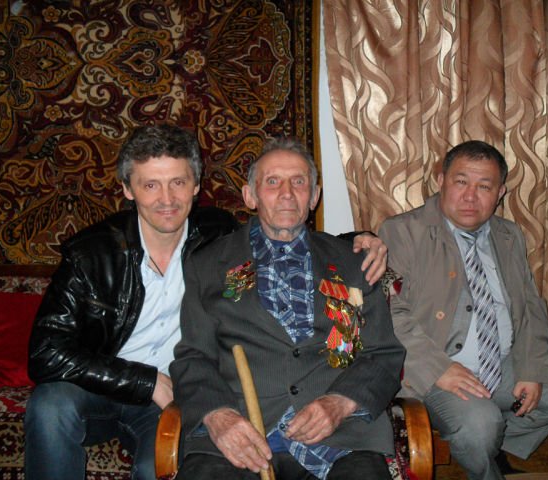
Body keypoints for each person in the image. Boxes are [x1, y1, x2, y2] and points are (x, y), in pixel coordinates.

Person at [25, 125, 387, 480]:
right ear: (127, 189)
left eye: (178, 183)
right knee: (50, 405)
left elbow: (287, 233)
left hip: (177, 398)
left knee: (156, 468)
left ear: (196, 186)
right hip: (112, 384)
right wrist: (149, 383)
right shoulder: (92, 254)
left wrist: (362, 240)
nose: (167, 199)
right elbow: (46, 351)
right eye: (150, 185)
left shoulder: (214, 235)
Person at [170, 137, 405, 480]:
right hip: (238, 438)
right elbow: (193, 358)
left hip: (340, 439)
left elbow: (383, 353)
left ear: (314, 196)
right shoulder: (206, 265)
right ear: (250, 196)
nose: (286, 193)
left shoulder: (355, 263)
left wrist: (340, 403)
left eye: (298, 182)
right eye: (272, 182)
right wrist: (219, 416)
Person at [379, 140, 548, 480]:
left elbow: (529, 306)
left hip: (501, 362)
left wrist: (531, 367)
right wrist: (438, 369)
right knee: (480, 425)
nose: (470, 197)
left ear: (500, 192)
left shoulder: (509, 234)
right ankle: (485, 459)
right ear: (441, 181)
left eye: (484, 186)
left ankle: (492, 447)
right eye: (461, 182)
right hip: (437, 369)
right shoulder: (402, 231)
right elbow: (390, 312)